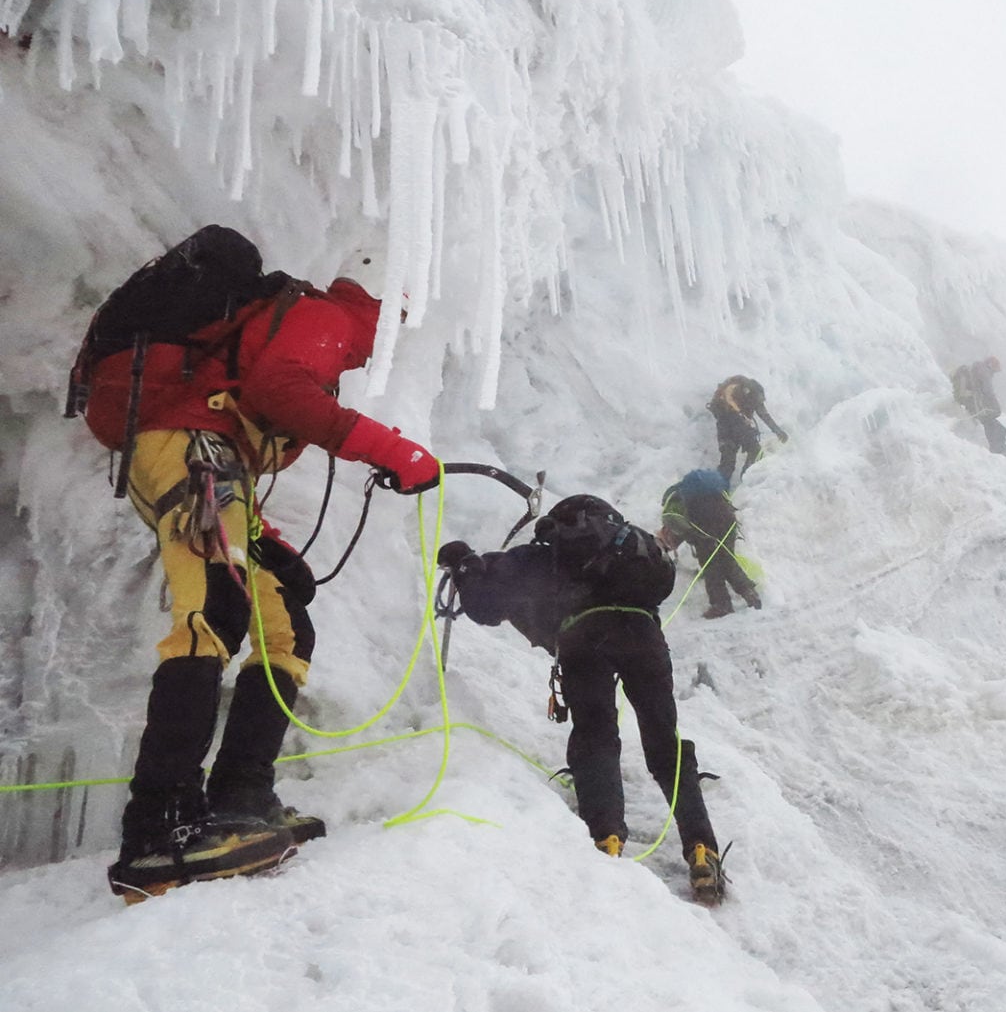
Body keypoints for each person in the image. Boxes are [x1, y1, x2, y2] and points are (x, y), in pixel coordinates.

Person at [82, 234, 440, 902]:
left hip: (204, 461)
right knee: (212, 610)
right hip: (189, 448)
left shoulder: (312, 322)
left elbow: (254, 410)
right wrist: (392, 450)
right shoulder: (330, 316)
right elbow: (280, 389)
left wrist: (263, 537)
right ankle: (157, 831)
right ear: (391, 303)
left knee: (287, 626)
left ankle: (241, 798)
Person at [437, 495, 728, 904]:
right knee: (665, 742)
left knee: (596, 735)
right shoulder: (633, 546)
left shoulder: (548, 552)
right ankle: (702, 846)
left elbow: (484, 605)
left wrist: (463, 560)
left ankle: (606, 838)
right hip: (644, 637)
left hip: (583, 639)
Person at [657, 469, 760, 620]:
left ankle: (721, 605)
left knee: (711, 565)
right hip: (728, 521)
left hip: (706, 526)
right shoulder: (710, 489)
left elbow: (678, 524)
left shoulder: (675, 502)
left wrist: (695, 538)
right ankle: (749, 592)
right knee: (727, 558)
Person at [707, 374, 787, 483]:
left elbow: (762, 414)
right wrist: (778, 431)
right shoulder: (745, 392)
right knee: (755, 450)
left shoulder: (742, 393)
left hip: (724, 427)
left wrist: (777, 431)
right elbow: (763, 414)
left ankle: (719, 490)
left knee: (728, 462)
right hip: (734, 424)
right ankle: (747, 479)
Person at [950, 356, 1006, 456]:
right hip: (976, 405)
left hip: (974, 404)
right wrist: (994, 406)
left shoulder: (977, 370)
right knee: (996, 427)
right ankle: (999, 450)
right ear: (991, 365)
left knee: (993, 426)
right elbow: (988, 391)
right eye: (995, 370)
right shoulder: (983, 371)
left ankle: (999, 450)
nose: (994, 374)